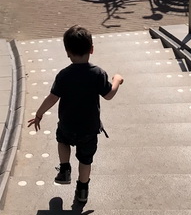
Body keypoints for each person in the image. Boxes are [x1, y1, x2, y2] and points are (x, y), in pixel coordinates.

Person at [28, 24, 124, 205]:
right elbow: (109, 95)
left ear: (67, 52)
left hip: (67, 124)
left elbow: (52, 98)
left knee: (63, 141)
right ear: (92, 49)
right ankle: (82, 189)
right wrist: (116, 80)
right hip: (89, 128)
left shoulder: (64, 75)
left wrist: (39, 114)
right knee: (85, 159)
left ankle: (64, 168)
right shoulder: (98, 73)